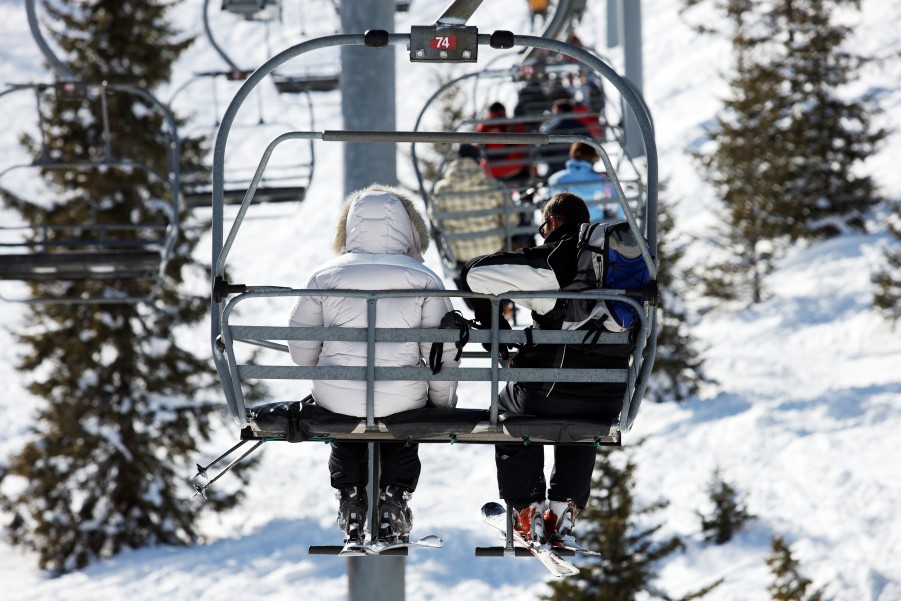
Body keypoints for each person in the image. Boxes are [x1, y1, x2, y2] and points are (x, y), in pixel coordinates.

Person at [288, 185, 460, 547]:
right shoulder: (425, 279)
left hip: (338, 398)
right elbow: (438, 355)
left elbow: (302, 354)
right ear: (410, 229)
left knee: (344, 413)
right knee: (403, 418)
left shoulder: (325, 276)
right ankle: (393, 499)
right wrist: (440, 406)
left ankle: (351, 499)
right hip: (403, 399)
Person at [460, 192, 630, 549]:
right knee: (583, 422)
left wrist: (492, 319)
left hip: (549, 394)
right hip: (610, 396)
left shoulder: (552, 260)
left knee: (507, 405)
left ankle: (527, 507)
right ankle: (565, 509)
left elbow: (474, 273)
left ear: (552, 224)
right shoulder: (619, 265)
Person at [431, 144, 508, 288]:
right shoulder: (492, 186)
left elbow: (434, 218)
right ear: (478, 161)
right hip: (493, 251)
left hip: (460, 257)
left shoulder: (441, 189)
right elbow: (511, 220)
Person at [544, 142, 623, 222]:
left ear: (573, 154)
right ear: (594, 157)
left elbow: (546, 207)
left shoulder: (555, 179)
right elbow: (617, 206)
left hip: (566, 229)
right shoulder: (602, 180)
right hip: (595, 229)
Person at [476, 101, 532, 185]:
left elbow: (478, 147)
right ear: (504, 111)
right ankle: (527, 197)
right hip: (515, 167)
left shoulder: (482, 126)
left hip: (491, 171)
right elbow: (525, 145)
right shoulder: (512, 124)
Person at [539, 99, 592, 176]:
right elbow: (592, 145)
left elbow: (542, 150)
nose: (553, 113)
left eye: (554, 110)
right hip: (581, 168)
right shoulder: (581, 126)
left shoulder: (552, 128)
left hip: (557, 169)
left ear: (560, 111)